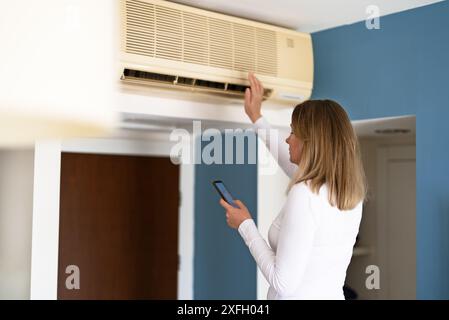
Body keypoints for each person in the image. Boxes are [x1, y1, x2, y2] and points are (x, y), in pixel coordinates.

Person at [219, 73, 367, 300]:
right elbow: (286, 159)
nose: (288, 139)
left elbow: (283, 283)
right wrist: (257, 117)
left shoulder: (306, 193)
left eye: (293, 132)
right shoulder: (349, 193)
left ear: (310, 142)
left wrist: (245, 225)